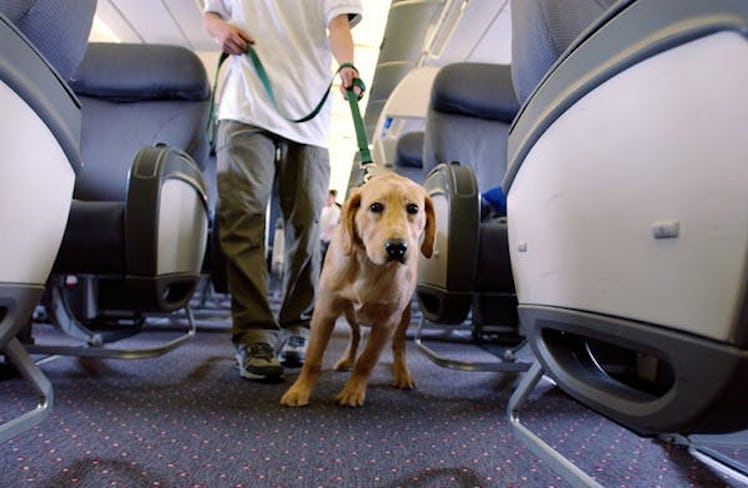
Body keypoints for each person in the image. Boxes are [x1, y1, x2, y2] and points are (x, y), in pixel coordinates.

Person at [202, 0, 364, 381]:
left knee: (306, 225)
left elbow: (338, 23)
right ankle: (254, 334)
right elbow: (212, 13)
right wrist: (220, 31)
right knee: (242, 221)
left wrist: (347, 64)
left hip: (308, 112)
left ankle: (298, 328)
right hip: (245, 107)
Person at [319, 189, 342, 265]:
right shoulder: (324, 208)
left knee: (321, 258)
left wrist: (325, 236)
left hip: (326, 238)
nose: (328, 198)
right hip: (319, 235)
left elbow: (332, 225)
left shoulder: (336, 210)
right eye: (327, 196)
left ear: (334, 198)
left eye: (330, 197)